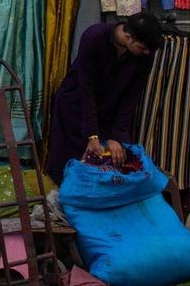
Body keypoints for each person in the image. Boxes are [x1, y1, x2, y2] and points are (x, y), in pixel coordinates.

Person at [45, 12, 162, 180]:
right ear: (128, 37)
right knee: (68, 166)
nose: (146, 53)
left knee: (105, 165)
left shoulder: (144, 56)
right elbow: (86, 89)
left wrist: (117, 136)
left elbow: (132, 97)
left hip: (107, 112)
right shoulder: (94, 37)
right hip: (75, 107)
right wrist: (92, 135)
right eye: (142, 48)